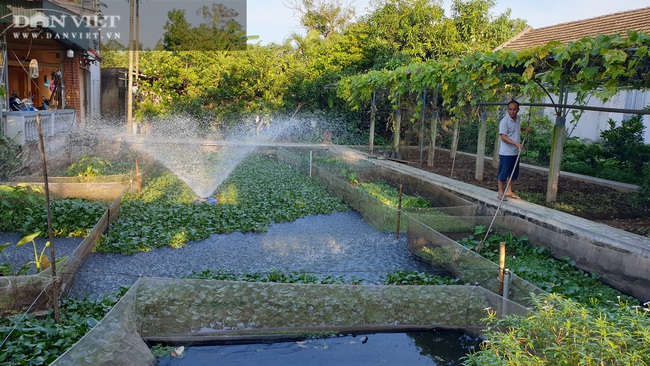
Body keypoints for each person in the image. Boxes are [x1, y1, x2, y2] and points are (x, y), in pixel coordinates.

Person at [497, 100, 530, 200]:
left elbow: (516, 129)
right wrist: (516, 144)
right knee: (503, 172)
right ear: (507, 110)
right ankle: (500, 192)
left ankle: (509, 191)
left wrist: (525, 129)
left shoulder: (518, 119)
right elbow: (503, 136)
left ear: (518, 110)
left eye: (514, 109)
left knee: (511, 172)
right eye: (510, 109)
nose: (512, 111)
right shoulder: (504, 121)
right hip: (506, 152)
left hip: (516, 152)